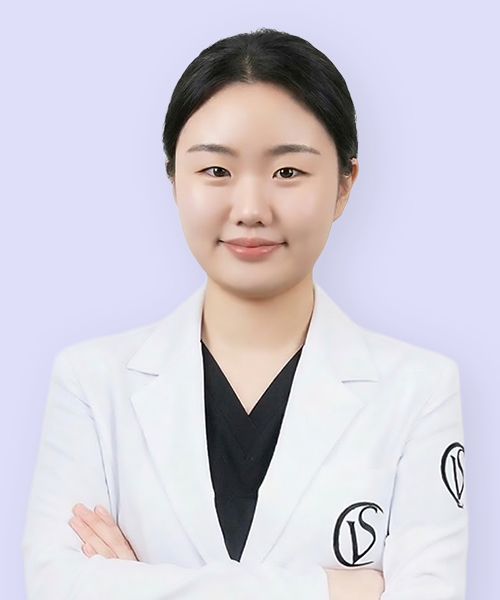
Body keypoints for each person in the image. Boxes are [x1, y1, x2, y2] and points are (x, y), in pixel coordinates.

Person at [22, 27, 468, 600]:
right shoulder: (90, 381)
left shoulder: (420, 390)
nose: (251, 208)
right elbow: (55, 586)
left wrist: (136, 584)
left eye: (288, 172)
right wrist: (338, 588)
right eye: (216, 171)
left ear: (344, 185)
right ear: (173, 180)